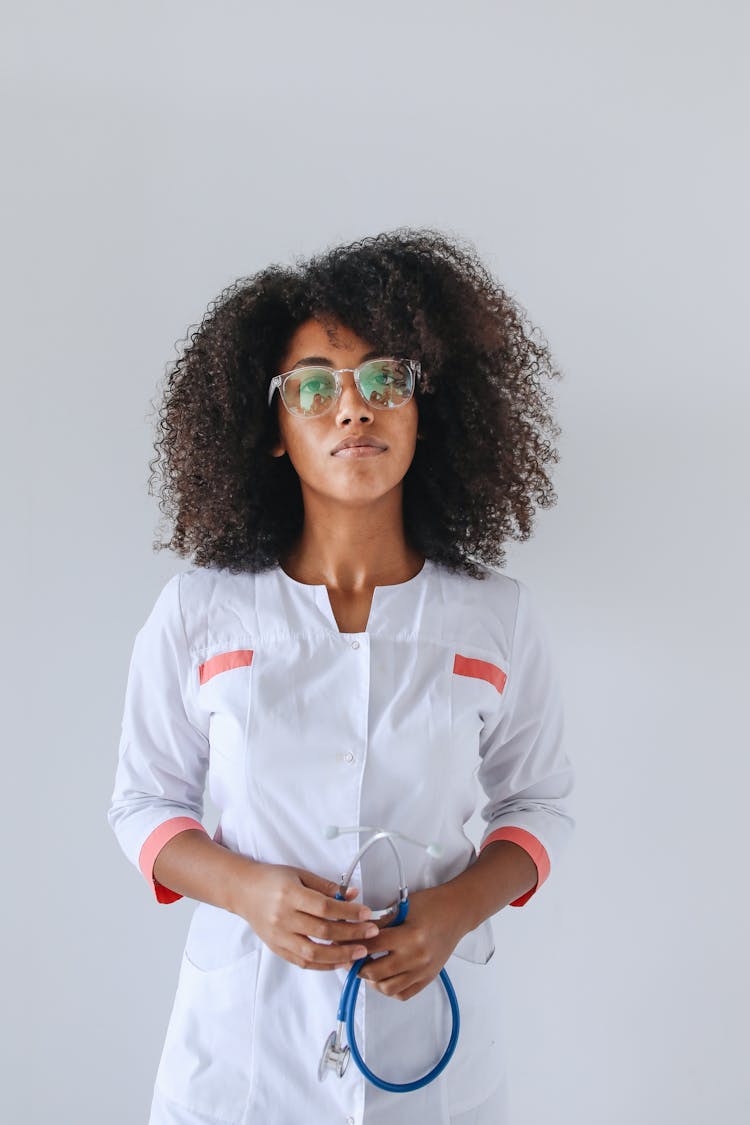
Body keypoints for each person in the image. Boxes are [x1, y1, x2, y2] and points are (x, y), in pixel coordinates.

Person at [108, 227, 575, 1125]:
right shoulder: (200, 610)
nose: (353, 408)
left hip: (429, 1045)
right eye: (315, 386)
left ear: (422, 410)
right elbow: (143, 802)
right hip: (241, 1051)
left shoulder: (496, 616)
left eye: (385, 380)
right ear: (274, 430)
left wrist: (454, 911)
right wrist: (248, 890)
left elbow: (539, 804)